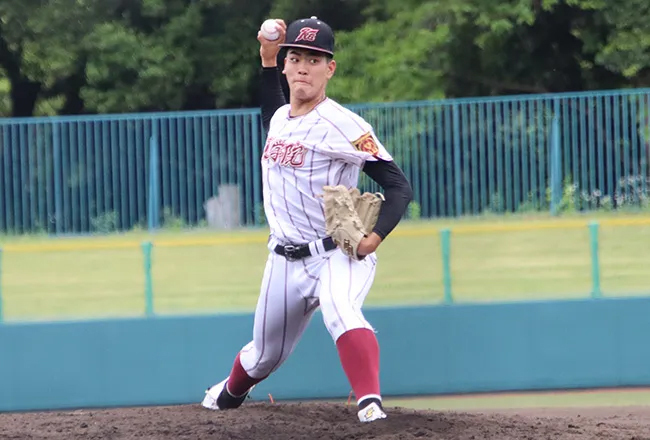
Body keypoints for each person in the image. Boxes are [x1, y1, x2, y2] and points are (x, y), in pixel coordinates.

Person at [201, 16, 413, 423]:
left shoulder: (344, 124)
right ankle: (229, 394)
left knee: (342, 310)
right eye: (295, 57)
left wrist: (374, 238)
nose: (303, 67)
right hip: (284, 259)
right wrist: (266, 60)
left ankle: (370, 404)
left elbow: (398, 185)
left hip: (337, 252)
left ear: (329, 68)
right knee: (263, 356)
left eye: (314, 59)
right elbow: (272, 112)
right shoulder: (281, 119)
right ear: (285, 65)